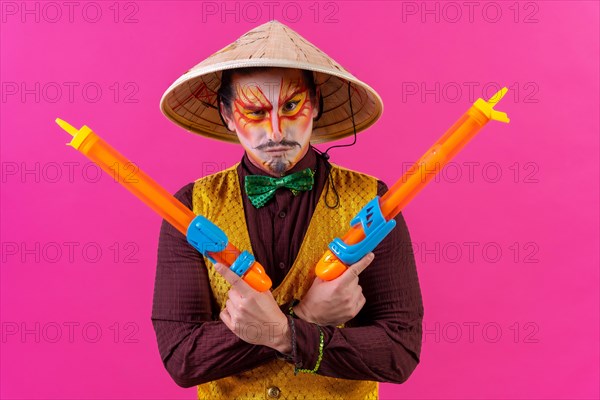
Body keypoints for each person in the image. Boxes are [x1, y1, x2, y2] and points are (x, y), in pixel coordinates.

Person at [152, 20, 424, 399]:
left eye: (292, 106)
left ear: (316, 106)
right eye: (255, 112)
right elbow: (184, 359)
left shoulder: (372, 202)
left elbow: (399, 353)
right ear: (227, 115)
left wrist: (280, 332)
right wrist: (307, 320)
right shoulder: (189, 206)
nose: (277, 132)